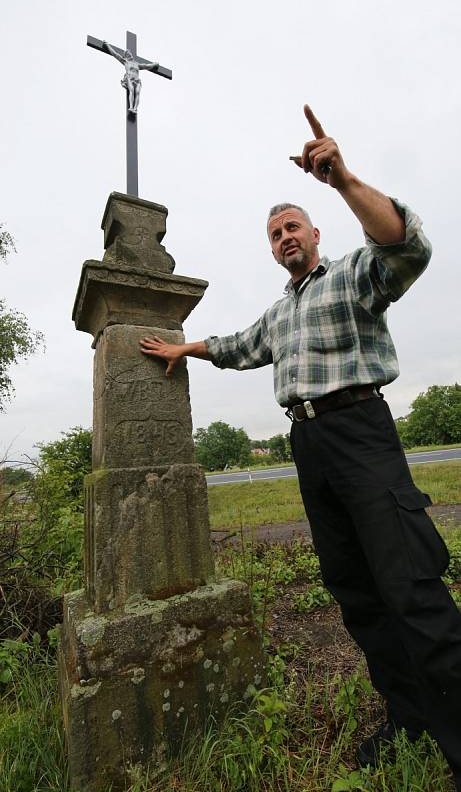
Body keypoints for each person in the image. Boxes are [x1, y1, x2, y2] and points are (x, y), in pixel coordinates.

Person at [140, 104, 461, 790]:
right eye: (274, 232)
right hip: (307, 445)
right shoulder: (280, 312)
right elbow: (234, 347)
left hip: (360, 434)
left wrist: (341, 178)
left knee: (408, 584)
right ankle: (407, 716)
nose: (285, 236)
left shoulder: (349, 275)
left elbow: (407, 246)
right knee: (355, 592)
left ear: (313, 233)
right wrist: (183, 348)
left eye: (292, 226)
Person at [103, 41, 159, 114]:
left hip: (137, 80)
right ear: (126, 56)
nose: (129, 54)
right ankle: (131, 107)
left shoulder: (137, 64)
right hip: (130, 78)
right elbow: (115, 54)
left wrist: (154, 64)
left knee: (137, 92)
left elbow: (146, 66)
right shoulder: (126, 62)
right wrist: (107, 45)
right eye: (127, 53)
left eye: (129, 53)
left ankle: (135, 109)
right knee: (132, 91)